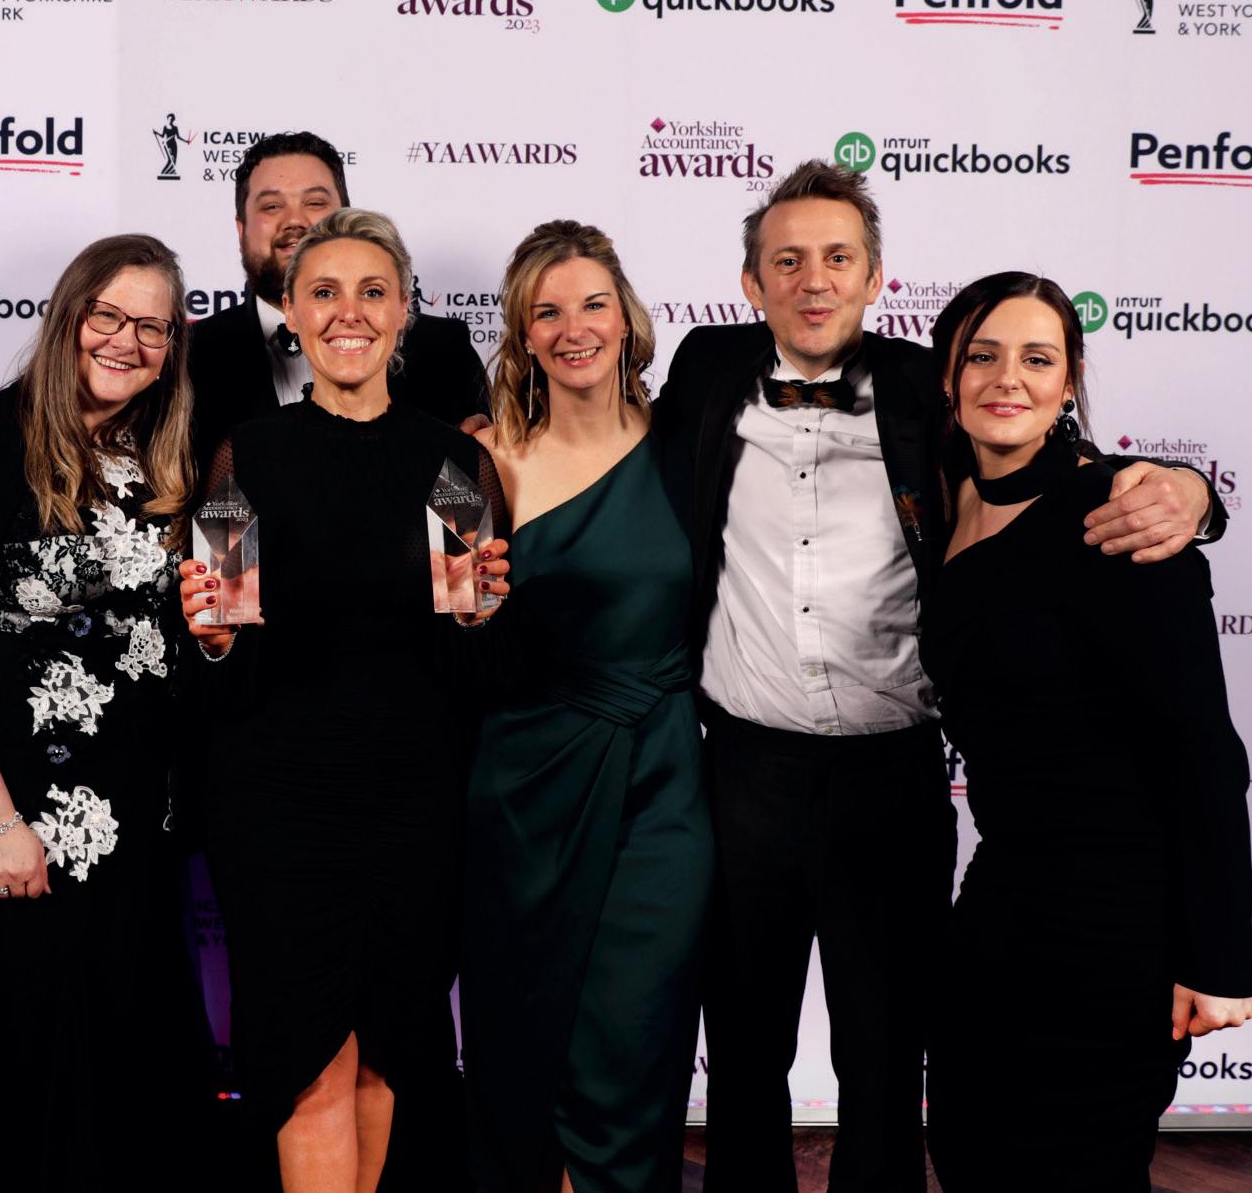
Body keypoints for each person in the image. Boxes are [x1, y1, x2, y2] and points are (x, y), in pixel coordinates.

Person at [650, 159, 1219, 1193]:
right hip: (741, 776)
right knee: (741, 1054)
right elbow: (592, 434)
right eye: (788, 260)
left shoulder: (936, 387)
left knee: (885, 1065)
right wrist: (478, 444)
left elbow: (1060, 467)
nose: (813, 280)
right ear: (750, 283)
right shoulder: (704, 368)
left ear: (876, 278)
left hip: (893, 782)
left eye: (838, 257)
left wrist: (1192, 492)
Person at [179, 208, 511, 1193]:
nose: (349, 313)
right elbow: (220, 650)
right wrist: (212, 636)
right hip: (278, 806)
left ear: (405, 310)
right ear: (290, 311)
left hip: (414, 803)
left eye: (372, 291)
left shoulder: (454, 463)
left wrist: (480, 620)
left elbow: (474, 664)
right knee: (308, 1061)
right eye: (323, 292)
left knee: (386, 1054)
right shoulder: (243, 454)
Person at [920, 273, 1252, 1190]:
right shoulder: (944, 496)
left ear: (1068, 382)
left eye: (1037, 359)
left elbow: (1204, 751)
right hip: (1002, 898)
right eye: (981, 355)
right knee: (968, 1152)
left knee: (1079, 1169)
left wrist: (1221, 958)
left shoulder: (1121, 512)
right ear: (946, 375)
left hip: (1118, 925)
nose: (1006, 378)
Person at [0, 233, 208, 1187]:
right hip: (21, 832)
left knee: (127, 1080)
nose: (126, 341)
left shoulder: (175, 465)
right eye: (106, 315)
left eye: (151, 326)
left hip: (140, 838)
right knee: (19, 1078)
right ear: (68, 317)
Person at [461, 221, 710, 1193]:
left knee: (635, 1027)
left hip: (662, 778)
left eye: (593, 304)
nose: (575, 329)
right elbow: (451, 640)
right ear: (523, 335)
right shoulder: (474, 461)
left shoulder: (691, 445)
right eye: (548, 312)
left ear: (627, 317)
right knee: (526, 1034)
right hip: (526, 782)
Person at [188, 130, 489, 463]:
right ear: (241, 228)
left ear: (345, 215)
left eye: (315, 203)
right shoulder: (191, 356)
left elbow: (478, 471)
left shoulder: (445, 349)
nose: (295, 220)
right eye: (272, 206)